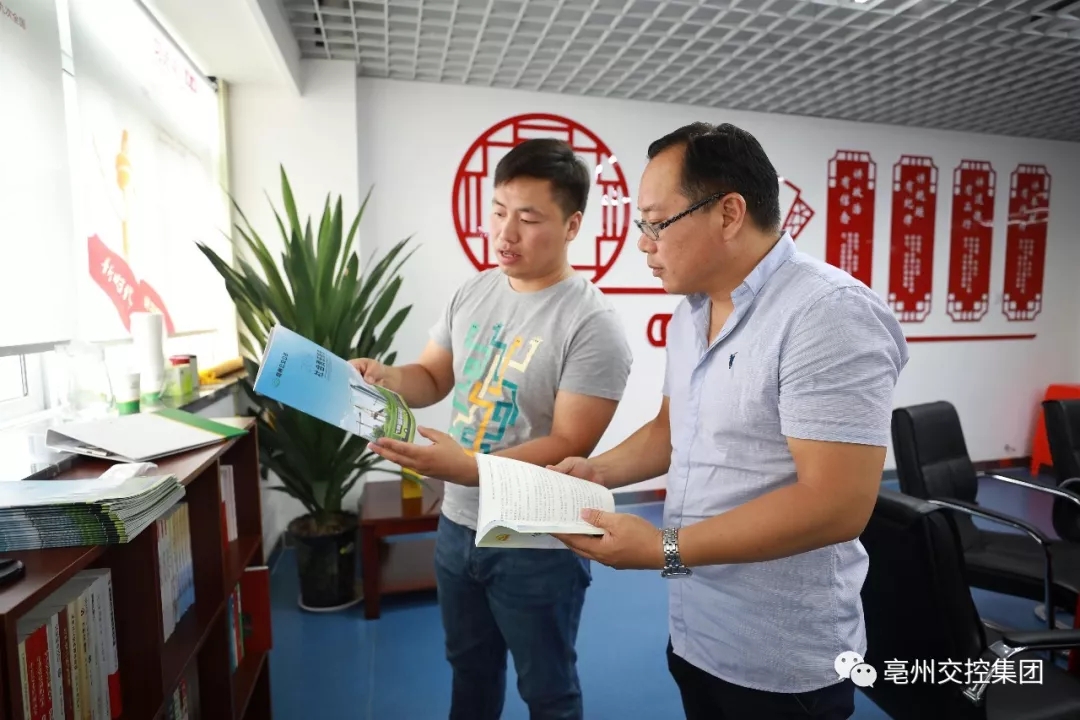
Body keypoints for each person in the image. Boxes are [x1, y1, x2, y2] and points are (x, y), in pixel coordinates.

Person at [550, 122, 909, 720]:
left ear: (729, 213)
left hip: (781, 655)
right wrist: (596, 471)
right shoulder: (690, 315)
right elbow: (671, 431)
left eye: (656, 223)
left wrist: (663, 548)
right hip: (697, 627)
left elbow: (836, 504)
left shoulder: (826, 314)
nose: (643, 244)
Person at [353, 137, 633, 720]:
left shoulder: (592, 323)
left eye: (528, 219)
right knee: (469, 669)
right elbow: (434, 376)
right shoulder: (473, 290)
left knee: (548, 691)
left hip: (536, 538)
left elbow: (569, 443)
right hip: (458, 525)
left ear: (572, 225)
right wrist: (387, 377)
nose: (505, 233)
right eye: (499, 211)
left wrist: (468, 467)